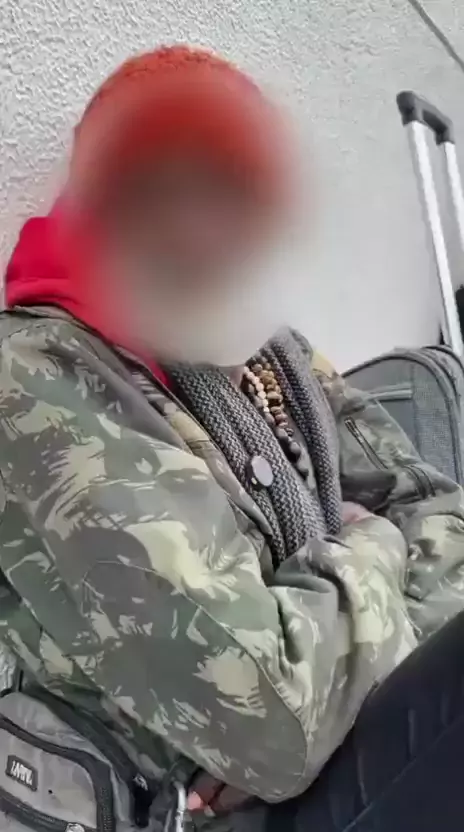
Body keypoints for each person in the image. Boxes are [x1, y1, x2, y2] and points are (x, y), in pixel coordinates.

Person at [2, 45, 464, 832]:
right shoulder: (37, 376)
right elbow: (274, 718)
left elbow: (437, 507)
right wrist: (376, 546)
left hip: (330, 756)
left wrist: (341, 656)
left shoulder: (263, 346)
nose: (214, 228)